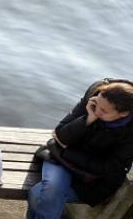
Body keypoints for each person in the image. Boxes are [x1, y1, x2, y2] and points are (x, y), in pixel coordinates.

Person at [26, 79, 133, 219]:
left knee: (38, 194)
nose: (97, 111)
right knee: (50, 192)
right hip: (60, 160)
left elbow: (109, 169)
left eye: (104, 111)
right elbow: (61, 135)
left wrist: (68, 151)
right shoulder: (94, 98)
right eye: (97, 105)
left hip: (93, 180)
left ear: (124, 114)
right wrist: (87, 119)